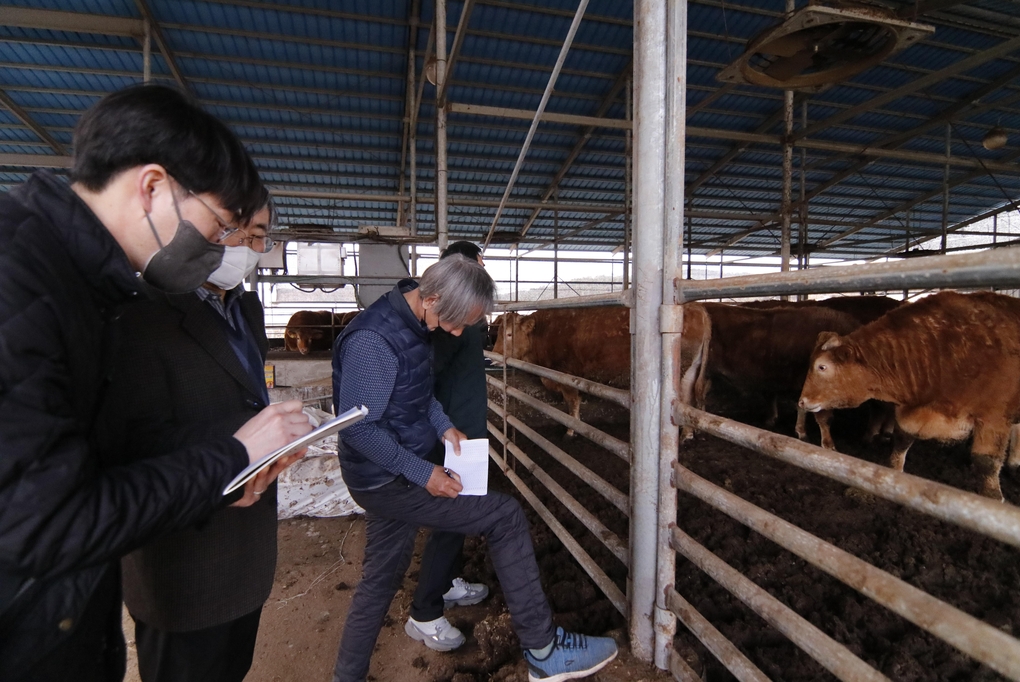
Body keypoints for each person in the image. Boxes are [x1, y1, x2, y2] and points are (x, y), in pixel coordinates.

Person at [0, 84, 311, 682]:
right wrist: (231, 458)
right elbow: (48, 521)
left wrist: (239, 463)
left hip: (63, 626)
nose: (224, 247)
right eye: (220, 226)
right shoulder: (25, 279)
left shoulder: (83, 283)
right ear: (153, 186)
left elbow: (95, 454)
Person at [331, 255, 618, 682]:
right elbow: (359, 430)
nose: (459, 332)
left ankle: (346, 676)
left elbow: (417, 395)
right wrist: (423, 473)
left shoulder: (414, 325)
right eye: (457, 321)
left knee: (380, 580)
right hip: (384, 479)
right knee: (504, 516)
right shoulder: (373, 341)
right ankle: (544, 650)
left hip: (391, 472)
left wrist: (445, 428)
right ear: (430, 298)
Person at [96, 198, 294, 682]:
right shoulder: (133, 314)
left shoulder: (245, 308)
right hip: (184, 568)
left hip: (247, 551)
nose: (253, 248)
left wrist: (276, 443)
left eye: (261, 235)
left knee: (233, 667)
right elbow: (126, 442)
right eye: (238, 233)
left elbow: (247, 400)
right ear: (188, 227)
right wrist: (239, 449)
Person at [406, 241, 490, 651]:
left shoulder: (461, 317)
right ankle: (424, 611)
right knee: (451, 515)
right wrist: (443, 428)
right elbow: (427, 383)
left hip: (463, 427)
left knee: (456, 515)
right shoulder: (450, 321)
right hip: (454, 434)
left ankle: (450, 583)